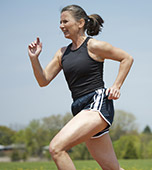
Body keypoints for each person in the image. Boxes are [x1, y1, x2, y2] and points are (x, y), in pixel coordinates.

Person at [28, 4, 133, 170]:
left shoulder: (94, 46)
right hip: (80, 107)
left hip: (96, 104)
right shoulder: (62, 53)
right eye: (60, 22)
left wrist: (117, 86)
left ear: (80, 23)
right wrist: (34, 59)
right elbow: (43, 80)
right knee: (112, 168)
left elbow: (127, 58)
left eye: (65, 21)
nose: (61, 26)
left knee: (56, 148)